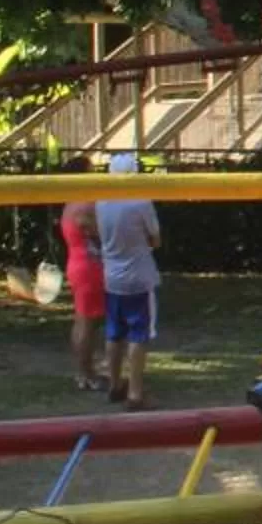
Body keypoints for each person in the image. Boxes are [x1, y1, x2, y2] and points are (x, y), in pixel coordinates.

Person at [93, 153, 161, 410]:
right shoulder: (140, 202)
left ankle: (114, 384)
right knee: (138, 335)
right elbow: (156, 238)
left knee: (114, 332)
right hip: (139, 277)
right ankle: (135, 393)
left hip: (111, 276)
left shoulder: (101, 201)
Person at [61, 177, 106, 393]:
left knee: (82, 321)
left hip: (77, 264)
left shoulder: (70, 203)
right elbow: (102, 233)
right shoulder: (86, 206)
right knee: (89, 323)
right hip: (89, 268)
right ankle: (85, 373)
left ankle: (84, 371)